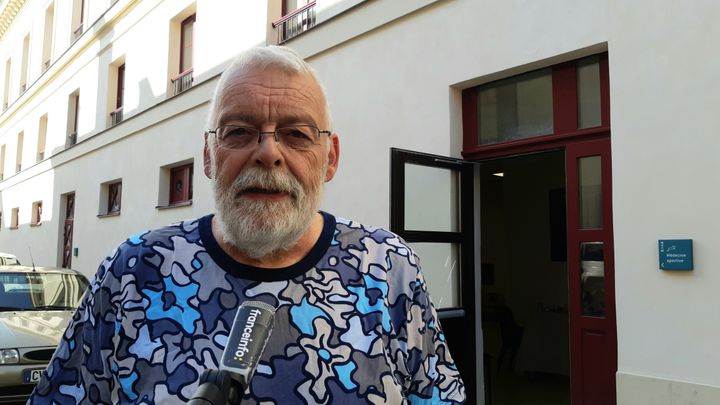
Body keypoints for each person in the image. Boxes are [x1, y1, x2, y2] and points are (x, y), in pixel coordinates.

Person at [30, 46, 465, 404]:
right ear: (207, 156)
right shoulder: (132, 272)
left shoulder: (389, 268)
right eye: (239, 131)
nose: (268, 153)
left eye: (296, 134)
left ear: (330, 158)